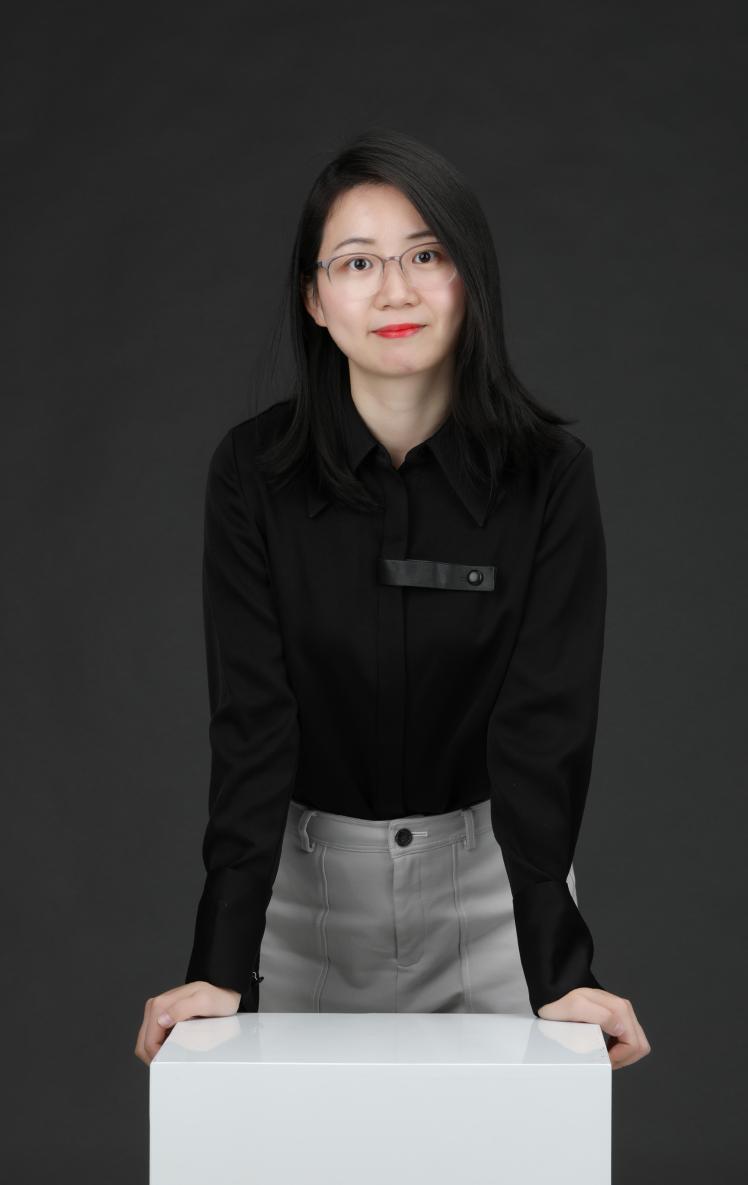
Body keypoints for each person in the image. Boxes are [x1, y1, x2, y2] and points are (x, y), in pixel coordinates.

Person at [135, 128, 650, 1070]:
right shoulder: (251, 473)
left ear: (469, 279)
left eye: (425, 255)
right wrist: (218, 961)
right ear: (315, 298)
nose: (395, 291)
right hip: (307, 897)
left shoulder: (550, 477)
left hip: (497, 895)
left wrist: (559, 966)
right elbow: (254, 724)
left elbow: (543, 728)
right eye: (358, 262)